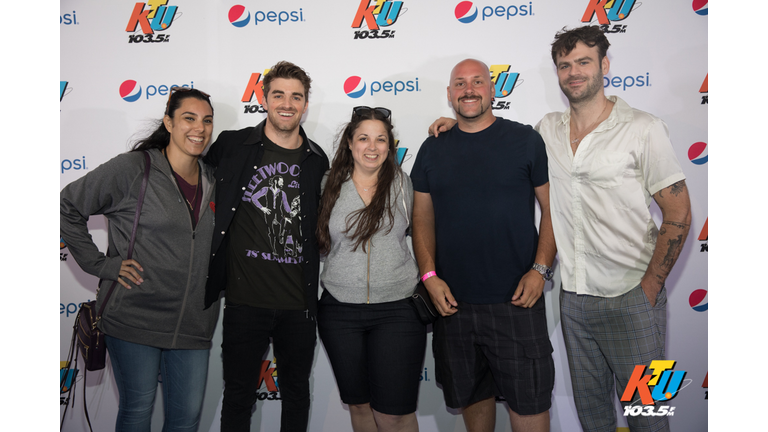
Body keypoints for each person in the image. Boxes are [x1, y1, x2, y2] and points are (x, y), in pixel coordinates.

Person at [431, 26, 692, 432]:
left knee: (651, 418)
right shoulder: (545, 131)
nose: (573, 72)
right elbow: (486, 134)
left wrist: (651, 290)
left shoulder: (645, 127)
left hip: (634, 299)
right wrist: (454, 120)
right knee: (593, 418)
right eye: (564, 65)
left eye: (584, 62)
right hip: (575, 301)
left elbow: (679, 214)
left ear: (604, 66)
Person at [60, 87, 219, 432]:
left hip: (194, 322)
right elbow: (67, 206)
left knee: (187, 420)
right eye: (189, 118)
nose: (199, 128)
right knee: (137, 412)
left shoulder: (213, 178)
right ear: (169, 122)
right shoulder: (135, 169)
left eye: (207, 121)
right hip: (135, 317)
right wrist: (102, 265)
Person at [411, 59, 556, 432]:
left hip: (517, 303)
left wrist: (541, 269)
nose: (469, 89)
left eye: (478, 81)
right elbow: (422, 218)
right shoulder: (432, 148)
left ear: (493, 90)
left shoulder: (525, 140)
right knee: (475, 412)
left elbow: (554, 209)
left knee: (530, 409)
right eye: (460, 83)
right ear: (449, 94)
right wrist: (428, 275)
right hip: (454, 308)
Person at [202, 61, 329, 432]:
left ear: (306, 104)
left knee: (296, 395)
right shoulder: (231, 145)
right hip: (245, 303)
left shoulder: (317, 160)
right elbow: (185, 172)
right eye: (278, 95)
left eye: (296, 96)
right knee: (238, 395)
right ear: (263, 98)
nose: (287, 104)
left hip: (299, 306)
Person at [316, 106, 425, 432]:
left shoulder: (404, 185)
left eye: (381, 139)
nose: (372, 146)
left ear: (390, 146)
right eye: (363, 138)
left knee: (395, 414)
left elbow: (422, 235)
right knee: (360, 408)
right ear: (349, 143)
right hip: (339, 312)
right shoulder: (328, 186)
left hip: (398, 311)